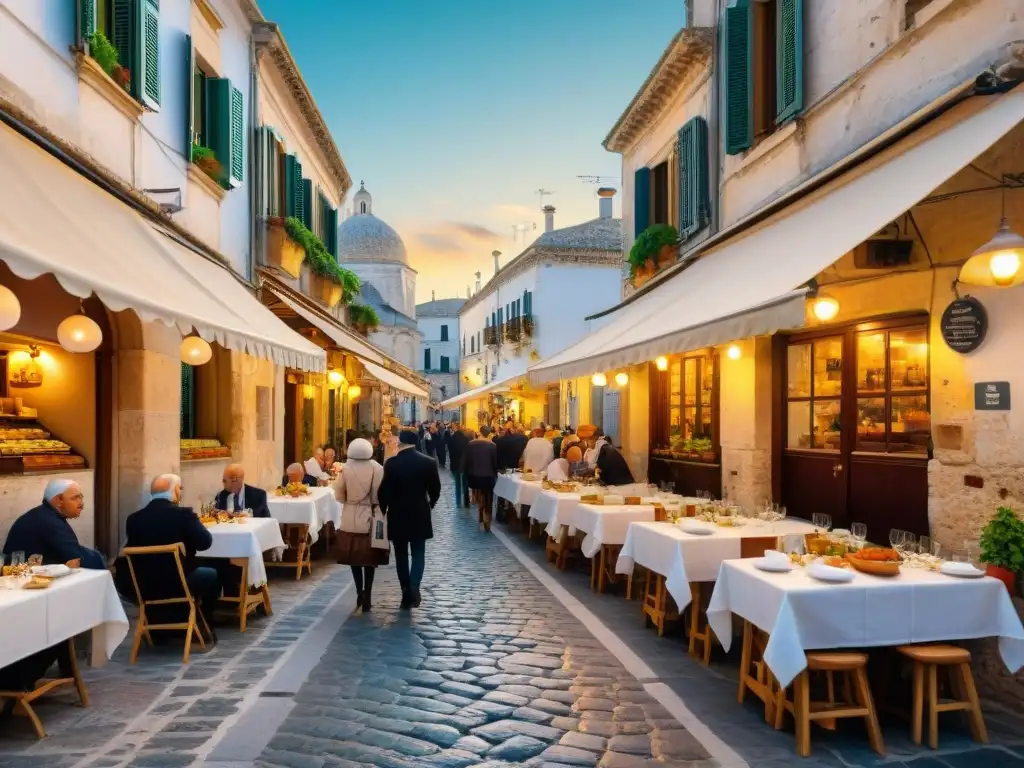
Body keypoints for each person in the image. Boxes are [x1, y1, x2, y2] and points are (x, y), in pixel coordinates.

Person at [115, 474, 220, 642]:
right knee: (213, 573)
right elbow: (205, 543)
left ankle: (159, 626)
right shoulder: (183, 515)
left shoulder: (134, 519)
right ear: (176, 490)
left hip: (144, 584)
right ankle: (204, 624)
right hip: (179, 582)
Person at [379, 430, 441, 609]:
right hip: (419, 512)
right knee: (418, 552)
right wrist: (432, 503)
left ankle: (405, 589)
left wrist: (384, 508)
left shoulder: (392, 464)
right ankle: (414, 586)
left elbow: (385, 491)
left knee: (400, 554)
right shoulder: (428, 462)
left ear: (401, 442)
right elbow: (435, 488)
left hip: (398, 513)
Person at [333, 438, 387, 613]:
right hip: (371, 515)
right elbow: (381, 494)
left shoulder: (346, 469)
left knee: (354, 556)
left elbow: (338, 493)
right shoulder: (378, 468)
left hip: (350, 514)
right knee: (370, 558)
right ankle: (368, 595)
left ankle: (359, 591)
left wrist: (350, 501)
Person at [3, 479, 105, 569]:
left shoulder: (45, 514)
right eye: (75, 498)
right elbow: (76, 557)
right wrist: (100, 560)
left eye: (81, 497)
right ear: (58, 500)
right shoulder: (49, 521)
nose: (81, 503)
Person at [465, 425, 499, 531]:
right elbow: (495, 462)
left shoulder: (471, 444)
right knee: (489, 496)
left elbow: (467, 459)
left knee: (478, 493)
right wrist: (497, 471)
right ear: (489, 434)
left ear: (479, 432)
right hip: (488, 476)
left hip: (474, 475)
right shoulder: (493, 445)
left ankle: (479, 513)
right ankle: (487, 517)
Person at [447, 424, 470, 507]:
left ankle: (458, 502)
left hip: (455, 464)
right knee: (465, 483)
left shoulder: (451, 439)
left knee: (457, 483)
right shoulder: (465, 439)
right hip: (464, 464)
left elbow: (449, 452)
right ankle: (466, 502)